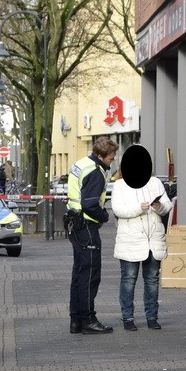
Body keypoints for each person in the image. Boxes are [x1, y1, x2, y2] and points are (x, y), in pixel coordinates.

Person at [111, 144, 172, 331]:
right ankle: (127, 318)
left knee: (152, 279)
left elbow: (167, 206)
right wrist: (139, 207)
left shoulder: (155, 183)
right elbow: (118, 210)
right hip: (129, 240)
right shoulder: (120, 185)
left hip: (153, 240)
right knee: (129, 279)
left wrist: (158, 207)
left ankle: (152, 316)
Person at [66, 136, 119, 335]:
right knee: (89, 275)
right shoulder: (96, 173)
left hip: (75, 223)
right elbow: (89, 204)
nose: (112, 160)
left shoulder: (82, 163)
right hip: (87, 227)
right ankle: (88, 319)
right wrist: (105, 216)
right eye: (111, 157)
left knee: (79, 275)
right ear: (100, 155)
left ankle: (76, 320)